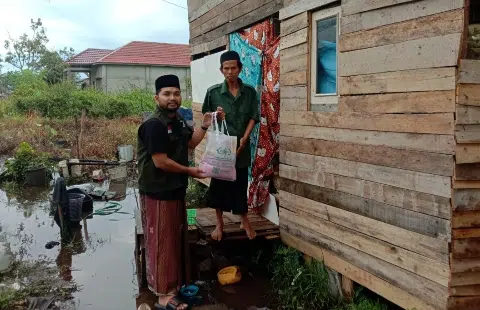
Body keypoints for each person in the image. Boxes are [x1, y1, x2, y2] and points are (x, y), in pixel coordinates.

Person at [137, 74, 224, 310]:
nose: (172, 98)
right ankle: (163, 295)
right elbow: (160, 162)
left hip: (175, 190)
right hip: (157, 191)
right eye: (166, 94)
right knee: (160, 242)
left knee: (173, 240)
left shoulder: (177, 121)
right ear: (157, 98)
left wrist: (205, 125)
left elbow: (190, 144)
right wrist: (190, 171)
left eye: (176, 93)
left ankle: (173, 286)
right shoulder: (154, 125)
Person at [202, 50, 260, 241]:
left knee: (240, 185)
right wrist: (215, 115)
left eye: (233, 68)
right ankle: (219, 224)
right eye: (226, 68)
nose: (229, 72)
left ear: (240, 68)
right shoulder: (213, 93)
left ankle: (244, 219)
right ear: (221, 70)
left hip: (241, 148)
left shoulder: (249, 92)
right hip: (222, 149)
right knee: (218, 185)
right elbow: (206, 118)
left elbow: (253, 116)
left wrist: (245, 138)